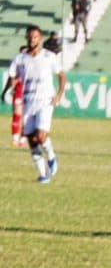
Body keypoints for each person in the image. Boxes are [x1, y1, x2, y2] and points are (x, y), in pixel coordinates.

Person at [2, 26, 66, 183]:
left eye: (35, 37)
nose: (32, 40)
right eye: (30, 37)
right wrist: (5, 91)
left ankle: (51, 156)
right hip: (28, 100)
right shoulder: (20, 58)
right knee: (31, 139)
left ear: (41, 38)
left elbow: (62, 75)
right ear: (26, 39)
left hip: (45, 100)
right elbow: (12, 76)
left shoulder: (49, 56)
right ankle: (44, 175)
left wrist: (59, 94)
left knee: (40, 135)